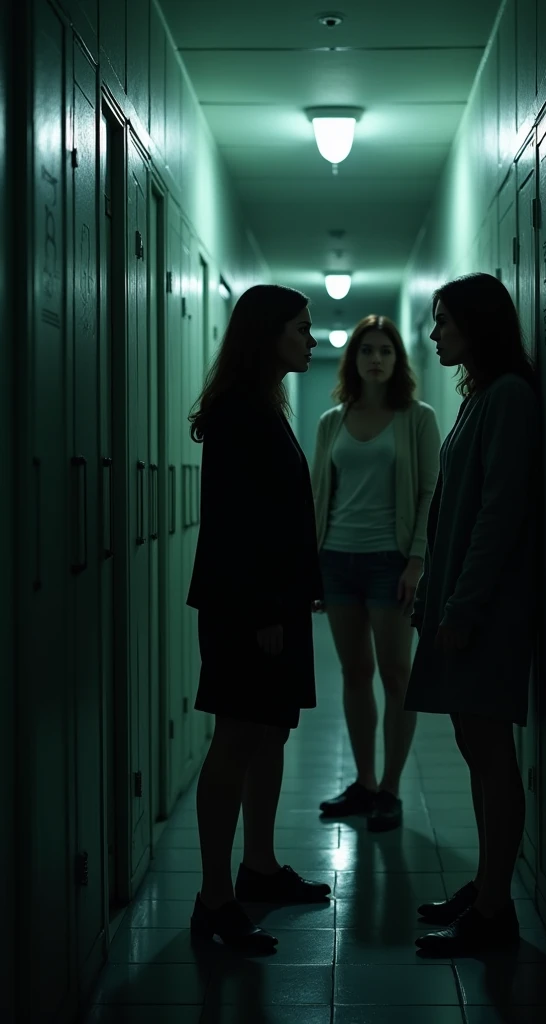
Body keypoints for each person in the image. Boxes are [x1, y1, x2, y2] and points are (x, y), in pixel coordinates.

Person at [185, 284, 331, 955]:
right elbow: (239, 526)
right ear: (268, 333)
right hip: (250, 607)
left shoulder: (261, 405)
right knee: (238, 738)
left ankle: (259, 868)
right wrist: (267, 609)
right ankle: (215, 899)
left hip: (271, 603)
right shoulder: (242, 412)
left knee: (267, 733)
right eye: (301, 328)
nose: (310, 338)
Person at [407, 273, 540, 955]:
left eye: (445, 323)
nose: (434, 335)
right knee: (474, 749)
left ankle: (495, 912)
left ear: (478, 326)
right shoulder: (480, 397)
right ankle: (487, 888)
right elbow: (452, 511)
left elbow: (498, 514)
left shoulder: (510, 398)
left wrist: (461, 605)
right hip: (458, 600)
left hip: (484, 609)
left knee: (491, 753)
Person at [312, 315, 441, 832]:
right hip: (337, 560)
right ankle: (364, 782)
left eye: (385, 351)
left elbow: (432, 492)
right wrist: (312, 564)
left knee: (397, 676)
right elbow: (319, 495)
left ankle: (390, 788)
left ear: (397, 360)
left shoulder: (417, 418)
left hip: (392, 562)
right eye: (367, 350)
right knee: (354, 673)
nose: (376, 359)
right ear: (354, 359)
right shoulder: (331, 422)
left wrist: (416, 560)